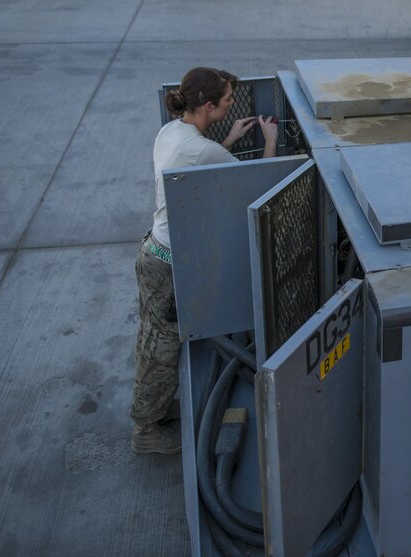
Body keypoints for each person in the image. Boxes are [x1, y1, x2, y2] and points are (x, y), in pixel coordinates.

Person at [130, 67, 278, 454]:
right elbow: (259, 185)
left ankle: (155, 410)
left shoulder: (172, 132)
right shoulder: (202, 149)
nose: (231, 104)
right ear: (209, 105)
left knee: (152, 340)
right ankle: (146, 431)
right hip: (167, 265)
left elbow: (199, 159)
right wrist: (270, 141)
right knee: (161, 350)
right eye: (228, 101)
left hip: (153, 253)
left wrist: (229, 138)